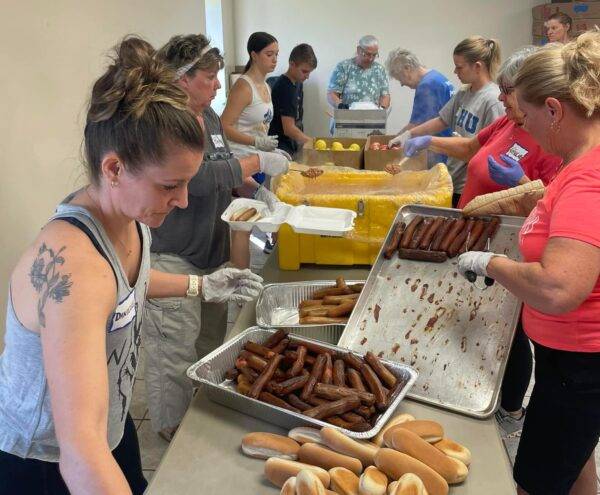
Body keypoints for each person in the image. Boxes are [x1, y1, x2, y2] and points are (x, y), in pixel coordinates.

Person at [0, 36, 262, 494]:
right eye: (169, 186)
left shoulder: (129, 219)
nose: (181, 200)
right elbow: (79, 450)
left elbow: (127, 282)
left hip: (113, 428)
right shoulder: (75, 271)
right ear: (115, 168)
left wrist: (201, 286)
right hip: (46, 461)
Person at [458, 31, 600, 495]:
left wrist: (492, 263)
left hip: (578, 368)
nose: (522, 124)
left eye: (527, 113)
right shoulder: (576, 165)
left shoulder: (585, 178)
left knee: (535, 483)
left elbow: (558, 288)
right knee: (578, 467)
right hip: (572, 362)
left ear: (555, 110)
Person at [396, 46, 562, 440]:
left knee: (511, 331)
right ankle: (469, 383)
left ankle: (508, 409)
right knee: (477, 319)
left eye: (508, 92)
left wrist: (521, 186)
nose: (501, 98)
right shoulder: (507, 122)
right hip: (473, 232)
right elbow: (472, 147)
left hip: (509, 243)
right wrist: (430, 143)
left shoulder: (549, 138)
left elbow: (549, 205)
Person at [145, 34, 287, 441]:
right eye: (210, 77)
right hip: (172, 255)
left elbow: (223, 165)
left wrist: (256, 191)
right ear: (182, 79)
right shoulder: (162, 122)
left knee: (208, 341)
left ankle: (199, 413)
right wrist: (257, 159)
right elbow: (197, 175)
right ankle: (173, 431)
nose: (219, 86)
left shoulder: (206, 117)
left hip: (210, 252)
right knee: (173, 351)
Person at [390, 36, 505, 206]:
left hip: (470, 185)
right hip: (453, 178)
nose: (455, 72)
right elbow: (442, 120)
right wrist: (409, 134)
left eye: (459, 67)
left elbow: (491, 150)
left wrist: (434, 142)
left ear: (478, 66)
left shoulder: (493, 101)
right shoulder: (464, 93)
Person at [385, 48, 455, 166]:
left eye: (399, 78)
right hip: (448, 142)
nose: (402, 84)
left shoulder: (426, 85)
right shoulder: (436, 76)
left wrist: (395, 139)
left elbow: (417, 124)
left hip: (438, 149)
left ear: (407, 68)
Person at [222, 31, 280, 173]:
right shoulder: (243, 87)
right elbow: (223, 126)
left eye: (276, 54)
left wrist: (269, 148)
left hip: (258, 155)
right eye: (269, 54)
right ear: (254, 55)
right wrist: (256, 141)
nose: (275, 59)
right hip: (241, 158)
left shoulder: (266, 86)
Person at [268, 43, 318, 158]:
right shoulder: (285, 87)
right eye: (304, 71)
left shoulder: (298, 83)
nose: (307, 76)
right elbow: (289, 129)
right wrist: (311, 142)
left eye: (309, 72)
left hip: (291, 142)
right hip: (279, 145)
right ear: (292, 64)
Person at [327, 35, 390, 110]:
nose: (371, 59)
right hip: (347, 117)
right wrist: (342, 107)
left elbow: (385, 96)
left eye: (374, 55)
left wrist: (382, 109)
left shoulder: (379, 70)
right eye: (367, 54)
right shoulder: (344, 67)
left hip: (372, 119)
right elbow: (332, 94)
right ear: (358, 50)